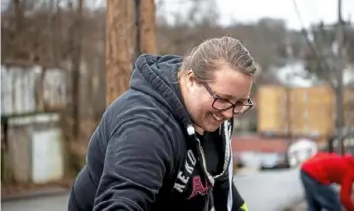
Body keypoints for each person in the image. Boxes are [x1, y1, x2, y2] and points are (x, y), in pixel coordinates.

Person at [68, 36, 257, 211]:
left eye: (240, 103)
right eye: (223, 99)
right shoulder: (146, 129)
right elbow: (121, 204)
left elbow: (219, 179)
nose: (229, 113)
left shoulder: (216, 115)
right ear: (192, 80)